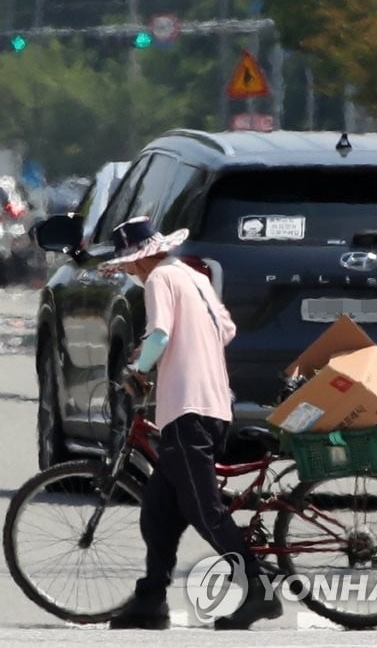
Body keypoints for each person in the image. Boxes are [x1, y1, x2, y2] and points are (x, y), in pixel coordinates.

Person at [98, 216, 282, 631]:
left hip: (188, 410)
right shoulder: (193, 276)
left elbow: (160, 334)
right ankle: (150, 600)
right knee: (158, 511)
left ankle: (257, 586)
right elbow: (227, 328)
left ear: (138, 260)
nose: (128, 270)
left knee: (204, 511)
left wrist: (140, 370)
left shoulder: (161, 279)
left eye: (128, 263)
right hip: (213, 405)